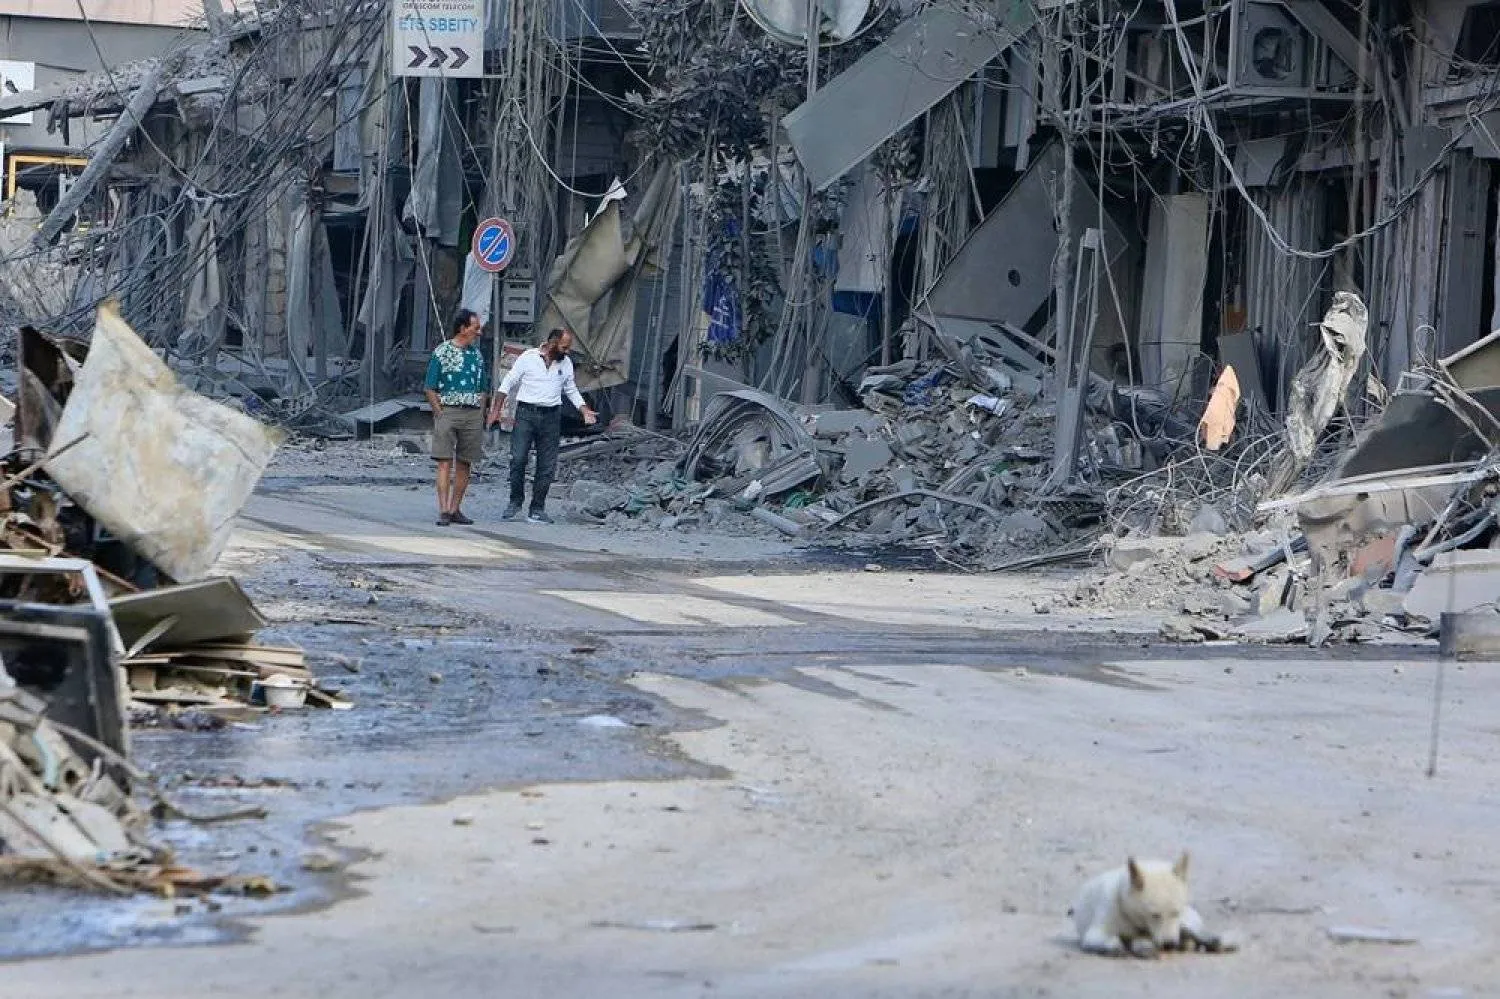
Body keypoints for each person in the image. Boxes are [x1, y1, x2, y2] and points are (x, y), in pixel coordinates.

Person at [488, 327, 596, 523]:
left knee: (547, 465)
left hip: (552, 416)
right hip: (526, 414)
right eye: (564, 347)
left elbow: (571, 390)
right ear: (552, 343)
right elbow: (507, 384)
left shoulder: (566, 363)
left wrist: (584, 410)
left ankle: (537, 508)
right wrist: (496, 411)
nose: (567, 351)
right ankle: (515, 501)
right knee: (518, 459)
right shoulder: (528, 358)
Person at [424, 309, 489, 526]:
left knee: (465, 463)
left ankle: (455, 509)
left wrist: (480, 412)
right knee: (444, 462)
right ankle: (443, 510)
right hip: (448, 410)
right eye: (475, 328)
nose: (478, 332)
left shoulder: (476, 356)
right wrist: (439, 413)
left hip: (471, 413)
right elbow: (430, 387)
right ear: (463, 328)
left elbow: (482, 388)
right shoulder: (441, 352)